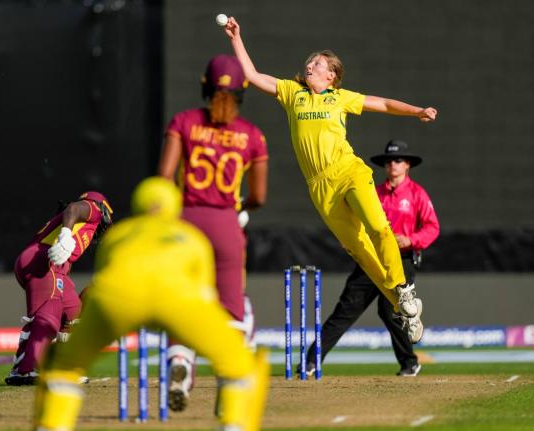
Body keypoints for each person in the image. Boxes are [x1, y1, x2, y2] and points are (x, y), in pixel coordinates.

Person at [221, 17, 438, 352]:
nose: (309, 65)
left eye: (317, 63)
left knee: (378, 227)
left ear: (331, 74)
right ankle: (402, 305)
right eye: (309, 62)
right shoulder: (293, 93)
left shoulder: (339, 97)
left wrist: (416, 111)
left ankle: (402, 289)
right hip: (320, 187)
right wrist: (237, 39)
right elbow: (252, 76)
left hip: (348, 170)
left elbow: (380, 103)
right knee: (360, 251)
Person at [32, 176, 270, 431]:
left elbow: (102, 280)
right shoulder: (191, 236)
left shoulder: (119, 236)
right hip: (178, 300)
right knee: (240, 363)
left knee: (64, 365)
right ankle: (234, 424)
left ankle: (52, 425)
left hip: (118, 299)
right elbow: (204, 292)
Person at [157, 54, 268, 411]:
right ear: (243, 91)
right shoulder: (251, 135)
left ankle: (180, 364)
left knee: (182, 300)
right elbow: (259, 197)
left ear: (205, 85)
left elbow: (163, 180)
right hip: (225, 224)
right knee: (232, 310)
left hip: (185, 223)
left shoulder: (184, 122)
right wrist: (241, 208)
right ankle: (228, 378)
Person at [304, 139, 440, 377]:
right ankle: (311, 361)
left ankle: (409, 362)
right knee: (345, 310)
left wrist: (410, 240)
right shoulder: (372, 192)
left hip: (401, 261)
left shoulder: (417, 194)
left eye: (398, 160)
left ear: (407, 164)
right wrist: (349, 237)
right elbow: (355, 222)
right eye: (388, 161)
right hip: (370, 259)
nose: (392, 165)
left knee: (391, 310)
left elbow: (432, 227)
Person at [4, 191, 113, 386]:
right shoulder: (93, 208)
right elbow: (73, 207)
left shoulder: (79, 221)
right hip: (43, 261)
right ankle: (27, 369)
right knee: (49, 314)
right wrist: (65, 236)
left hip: (51, 266)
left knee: (72, 310)